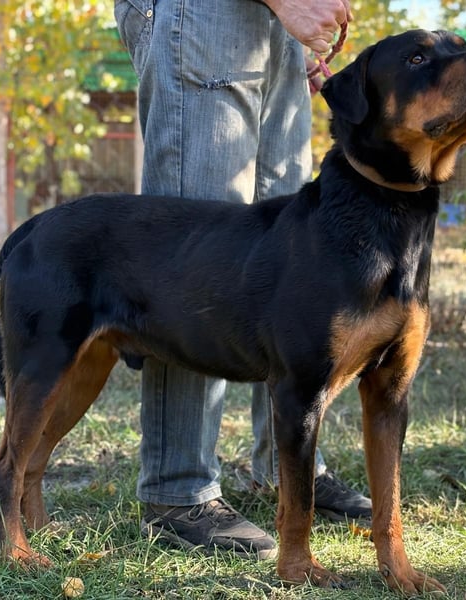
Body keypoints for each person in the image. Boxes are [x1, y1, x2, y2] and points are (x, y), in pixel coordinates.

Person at [113, 0, 371, 559]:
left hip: (275, 24)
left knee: (289, 252)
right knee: (198, 258)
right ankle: (177, 491)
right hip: (203, 11)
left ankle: (285, 471)